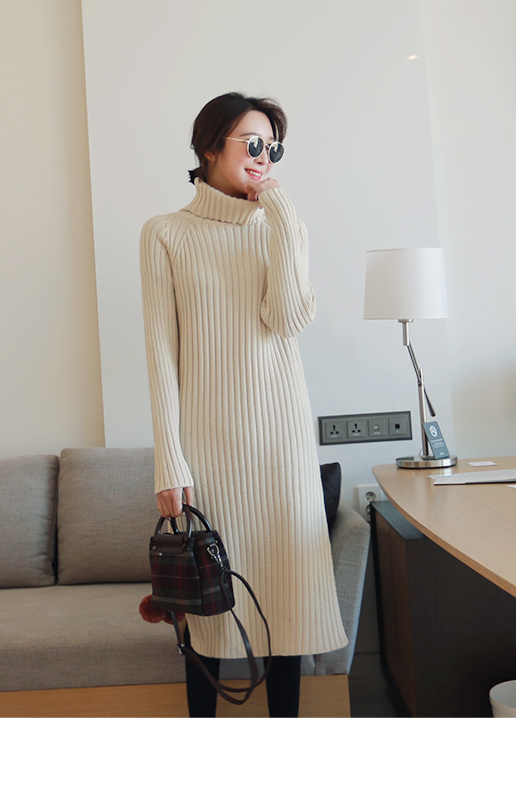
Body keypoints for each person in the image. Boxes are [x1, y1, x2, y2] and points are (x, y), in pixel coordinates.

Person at [140, 91, 347, 718]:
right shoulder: (165, 234)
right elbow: (161, 355)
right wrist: (169, 462)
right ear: (209, 147)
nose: (264, 157)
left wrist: (282, 217)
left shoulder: (282, 227)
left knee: (287, 602)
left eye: (272, 148)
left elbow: (287, 319)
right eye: (252, 143)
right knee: (208, 607)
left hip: (283, 446)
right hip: (211, 451)